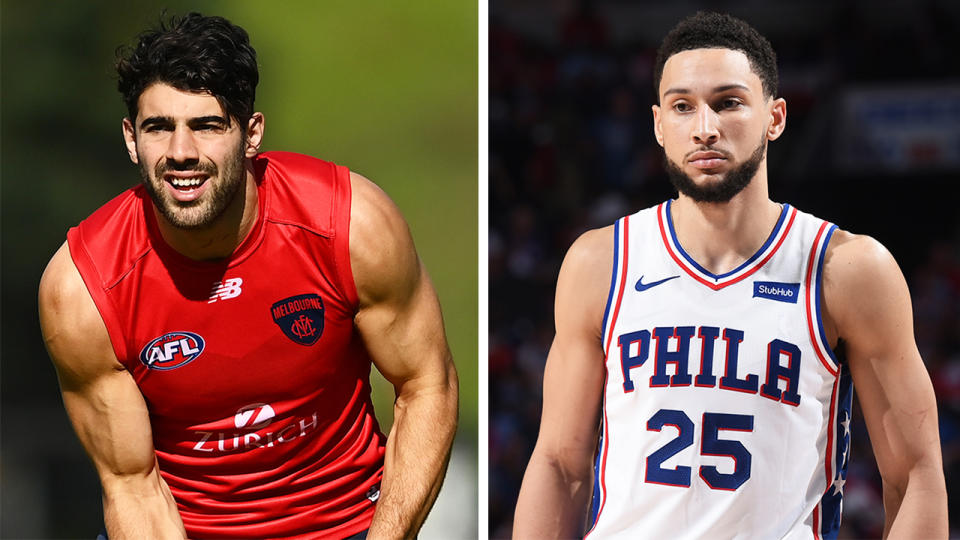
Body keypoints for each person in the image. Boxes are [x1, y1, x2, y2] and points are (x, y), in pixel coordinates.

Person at [513, 11, 946, 539]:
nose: (705, 128)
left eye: (729, 102)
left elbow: (916, 475)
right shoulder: (600, 262)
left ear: (775, 117)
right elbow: (559, 464)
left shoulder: (848, 269)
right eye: (682, 107)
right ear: (657, 125)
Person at [37, 12, 458, 539]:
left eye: (207, 125)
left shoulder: (350, 226)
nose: (181, 153)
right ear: (130, 138)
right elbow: (133, 487)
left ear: (252, 133)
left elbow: (427, 387)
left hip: (350, 523)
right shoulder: (82, 289)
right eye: (158, 127)